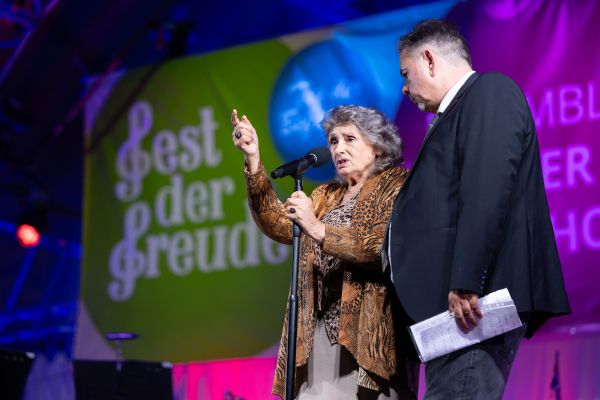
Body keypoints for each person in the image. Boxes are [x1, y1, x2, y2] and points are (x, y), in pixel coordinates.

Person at [381, 19, 571, 399]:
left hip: (473, 306)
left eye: (407, 73)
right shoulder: (459, 111)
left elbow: (486, 189)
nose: (404, 88)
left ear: (430, 60)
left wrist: (467, 280)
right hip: (454, 314)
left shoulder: (488, 92)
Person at [231, 105, 419, 399]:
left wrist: (318, 229)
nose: (338, 148)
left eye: (349, 139)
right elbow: (277, 224)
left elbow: (380, 245)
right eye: (333, 141)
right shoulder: (324, 195)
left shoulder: (397, 186)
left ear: (378, 147)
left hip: (369, 337)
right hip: (315, 337)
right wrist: (253, 158)